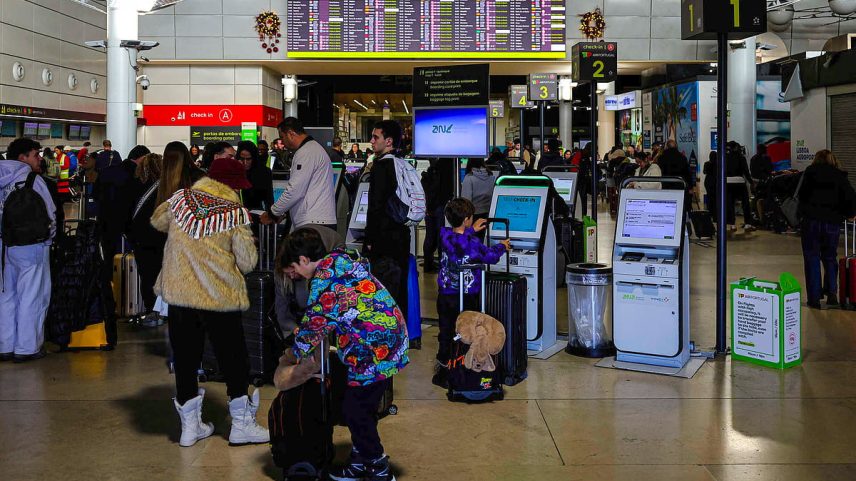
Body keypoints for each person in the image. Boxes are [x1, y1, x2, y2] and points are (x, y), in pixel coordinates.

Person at [153, 155, 269, 448]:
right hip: (219, 295)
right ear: (231, 185)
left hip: (181, 293)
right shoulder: (234, 212)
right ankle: (241, 426)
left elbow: (157, 220)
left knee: (186, 358)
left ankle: (190, 429)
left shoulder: (181, 200)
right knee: (233, 357)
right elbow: (247, 262)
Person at [279, 227, 408, 481]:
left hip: (373, 349)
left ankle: (378, 467)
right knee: (362, 406)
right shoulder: (342, 259)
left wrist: (291, 356)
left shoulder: (324, 281)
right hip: (389, 337)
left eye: (293, 269)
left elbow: (314, 326)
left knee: (354, 411)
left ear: (304, 259)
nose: (295, 275)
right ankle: (360, 461)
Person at [432, 198, 510, 388]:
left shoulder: (444, 235)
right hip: (466, 295)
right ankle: (465, 366)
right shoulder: (473, 244)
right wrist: (502, 246)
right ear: (467, 219)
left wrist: (470, 230)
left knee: (447, 330)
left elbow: (458, 242)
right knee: (468, 331)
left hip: (445, 294)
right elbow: (489, 256)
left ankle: (444, 368)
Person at [0, 137, 56, 362]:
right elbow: (49, 213)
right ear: (22, 157)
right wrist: (49, 238)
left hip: (5, 246)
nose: (39, 158)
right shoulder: (32, 179)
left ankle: (5, 344)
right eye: (35, 154)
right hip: (32, 245)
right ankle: (27, 347)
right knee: (32, 295)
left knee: (7, 295)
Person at [364, 120, 411, 318]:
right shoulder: (402, 164)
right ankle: (401, 330)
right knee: (399, 291)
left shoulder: (381, 166)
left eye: (376, 137)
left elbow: (375, 206)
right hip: (401, 235)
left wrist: (369, 239)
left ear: (389, 141)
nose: (372, 141)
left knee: (383, 292)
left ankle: (385, 331)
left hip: (384, 240)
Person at [799, 150, 856, 309]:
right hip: (832, 223)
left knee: (812, 257)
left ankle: (814, 299)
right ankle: (832, 295)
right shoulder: (839, 175)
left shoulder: (809, 173)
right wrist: (850, 214)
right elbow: (850, 196)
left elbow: (802, 196)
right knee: (830, 257)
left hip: (811, 221)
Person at [261, 118, 337, 231]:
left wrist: (273, 213)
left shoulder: (306, 152)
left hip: (314, 223)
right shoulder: (313, 149)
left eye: (282, 137)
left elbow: (295, 190)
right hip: (318, 221)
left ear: (291, 134)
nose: (282, 142)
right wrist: (283, 213)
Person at [127, 153, 166, 325]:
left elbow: (128, 212)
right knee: (162, 274)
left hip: (141, 238)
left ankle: (152, 311)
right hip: (161, 237)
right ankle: (164, 310)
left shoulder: (134, 185)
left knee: (147, 276)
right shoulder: (166, 188)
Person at [421, 158, 454, 273]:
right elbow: (442, 191)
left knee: (430, 236)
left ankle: (428, 263)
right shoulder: (442, 174)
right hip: (438, 207)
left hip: (429, 208)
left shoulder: (427, 175)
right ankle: (440, 263)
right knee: (440, 237)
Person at [461, 157, 495, 239]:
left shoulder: (469, 178)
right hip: (488, 214)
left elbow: (466, 201)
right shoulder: (491, 176)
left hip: (474, 217)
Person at [724, 141, 756, 231]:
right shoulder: (741, 157)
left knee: (730, 203)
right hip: (739, 181)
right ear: (736, 148)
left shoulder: (725, 157)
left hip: (728, 182)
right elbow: (746, 171)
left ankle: (732, 224)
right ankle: (747, 223)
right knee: (745, 202)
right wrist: (751, 182)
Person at [236, 140, 273, 210]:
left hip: (256, 212)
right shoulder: (233, 171)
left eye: (248, 159)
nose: (245, 162)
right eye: (242, 159)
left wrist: (269, 214)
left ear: (254, 158)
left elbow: (269, 198)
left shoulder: (264, 172)